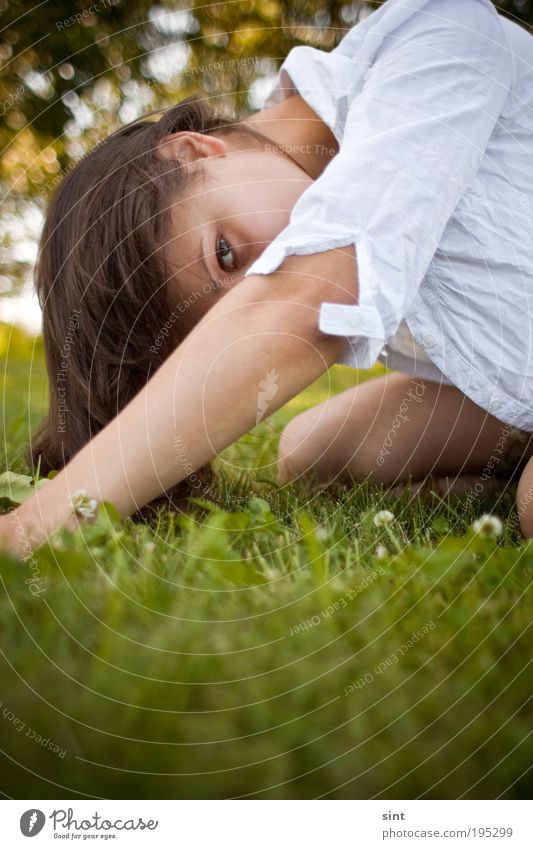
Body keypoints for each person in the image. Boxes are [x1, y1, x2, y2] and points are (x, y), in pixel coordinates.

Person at [2, 0, 533, 555]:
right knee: (308, 450)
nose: (264, 282)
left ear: (192, 151)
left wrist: (31, 526)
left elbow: (308, 299)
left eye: (226, 254)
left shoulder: (440, 35)